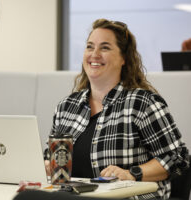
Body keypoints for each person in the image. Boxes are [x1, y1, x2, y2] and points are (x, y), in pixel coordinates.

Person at [44, 18, 189, 199]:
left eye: (104, 48)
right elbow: (50, 156)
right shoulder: (66, 107)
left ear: (123, 58)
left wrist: (132, 174)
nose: (94, 54)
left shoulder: (142, 103)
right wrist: (47, 164)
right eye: (90, 47)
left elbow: (176, 158)